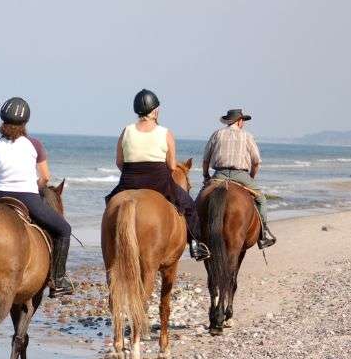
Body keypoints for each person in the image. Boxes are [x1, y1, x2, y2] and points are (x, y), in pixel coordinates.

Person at [0, 97, 74, 297]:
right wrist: (36, 187)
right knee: (64, 229)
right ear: (25, 123)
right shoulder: (34, 144)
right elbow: (46, 177)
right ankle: (58, 279)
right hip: (28, 197)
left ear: (3, 122)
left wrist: (3, 187)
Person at [106, 89, 211, 261]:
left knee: (110, 203)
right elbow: (171, 165)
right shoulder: (165, 133)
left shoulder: (126, 131)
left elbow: (119, 162)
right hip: (159, 182)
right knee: (189, 205)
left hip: (129, 181)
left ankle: (110, 241)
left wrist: (134, 174)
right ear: (155, 111)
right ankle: (196, 245)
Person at [202, 109, 276, 249]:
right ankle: (264, 234)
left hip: (219, 174)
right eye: (243, 121)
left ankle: (196, 237)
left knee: (201, 198)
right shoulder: (247, 136)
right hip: (241, 175)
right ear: (239, 121)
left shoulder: (217, 134)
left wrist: (206, 175)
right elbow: (256, 162)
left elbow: (206, 159)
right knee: (261, 199)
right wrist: (251, 178)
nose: (244, 123)